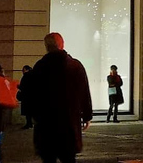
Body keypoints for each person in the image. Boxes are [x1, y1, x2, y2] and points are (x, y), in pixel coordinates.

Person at [26, 33, 93, 163]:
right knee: (68, 158)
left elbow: (32, 95)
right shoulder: (75, 66)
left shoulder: (40, 67)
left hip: (46, 126)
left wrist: (35, 116)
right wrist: (87, 116)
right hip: (68, 124)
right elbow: (84, 93)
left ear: (46, 47)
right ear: (62, 44)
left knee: (48, 158)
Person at [17, 65, 34, 129]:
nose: (22, 71)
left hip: (26, 97)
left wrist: (19, 87)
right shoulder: (33, 75)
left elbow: (23, 86)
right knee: (30, 111)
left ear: (26, 69)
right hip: (32, 96)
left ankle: (29, 124)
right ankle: (30, 124)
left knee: (27, 112)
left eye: (23, 70)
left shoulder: (25, 76)